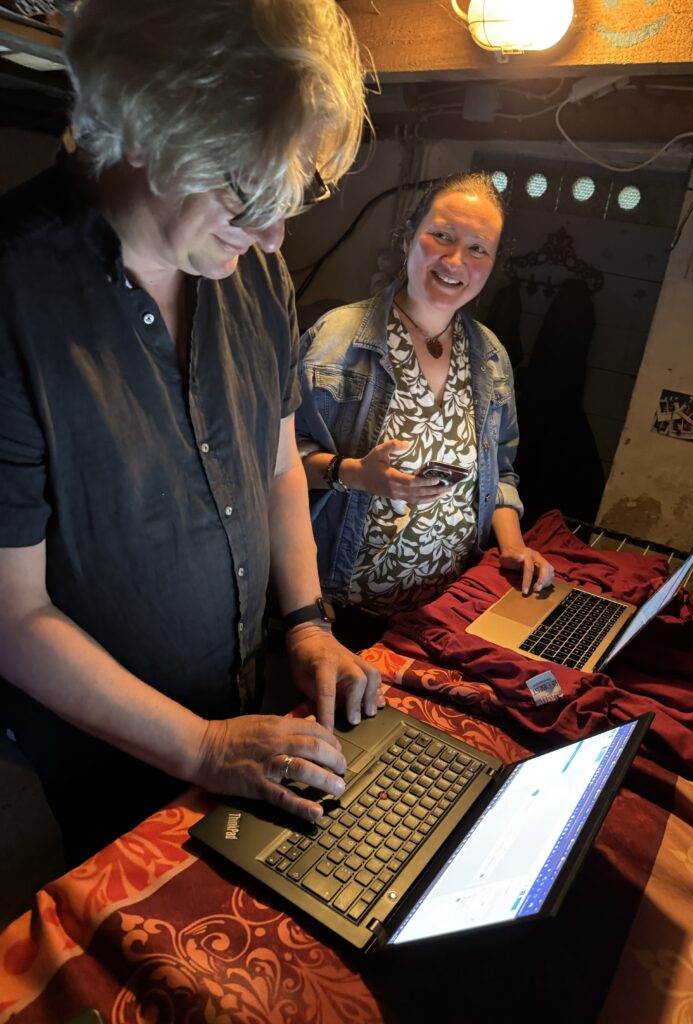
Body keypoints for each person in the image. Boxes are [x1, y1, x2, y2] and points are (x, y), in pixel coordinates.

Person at [0, 0, 383, 867]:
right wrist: (201, 747)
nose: (276, 235)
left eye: (292, 196)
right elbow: (11, 612)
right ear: (146, 123)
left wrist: (307, 624)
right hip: (104, 745)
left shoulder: (256, 271)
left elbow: (278, 467)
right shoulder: (14, 293)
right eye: (248, 195)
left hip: (245, 699)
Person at [295, 172, 554, 646]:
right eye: (442, 236)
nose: (456, 261)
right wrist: (355, 474)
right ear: (409, 236)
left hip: (445, 613)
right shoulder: (336, 341)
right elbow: (273, 466)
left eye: (478, 249)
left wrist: (513, 547)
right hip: (344, 612)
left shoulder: (490, 356)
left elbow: (500, 473)